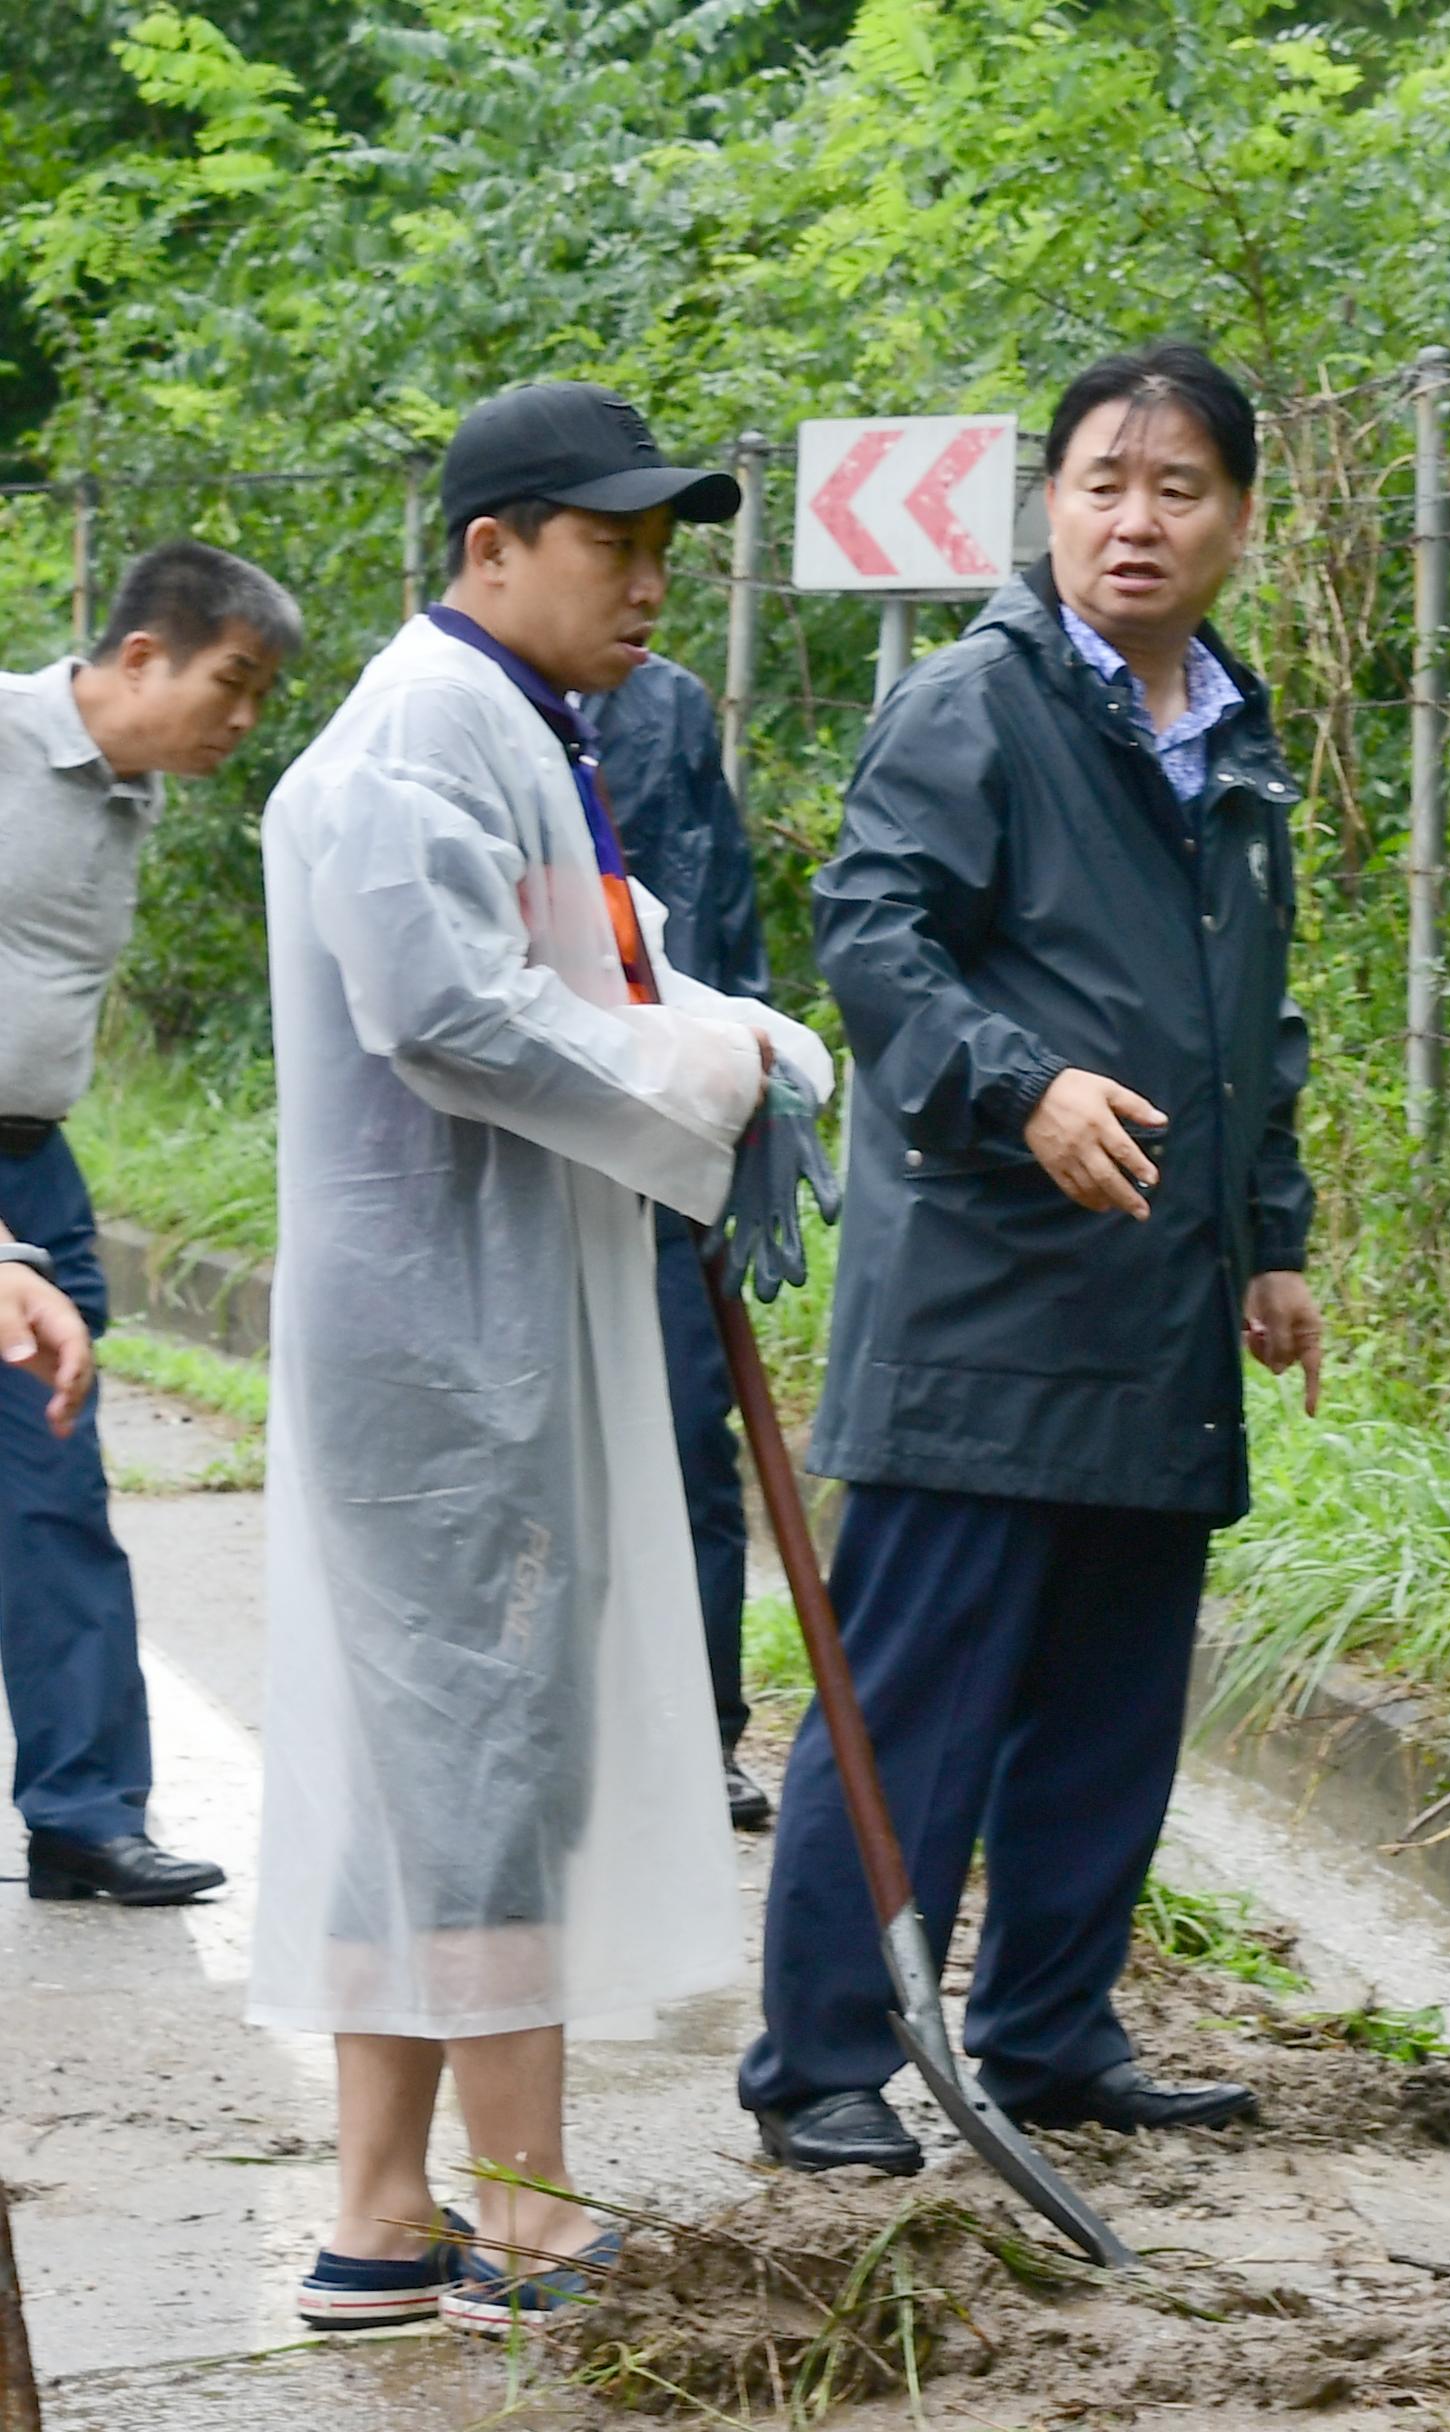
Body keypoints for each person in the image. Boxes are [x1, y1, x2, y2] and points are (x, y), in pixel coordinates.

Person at [255, 380, 827, 2336]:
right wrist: (703, 1071)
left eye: (667, 548)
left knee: (419, 1764)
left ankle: (384, 2215)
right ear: (490, 548)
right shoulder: (428, 728)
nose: (651, 581)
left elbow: (613, 964)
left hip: (465, 1321)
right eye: (614, 543)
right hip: (440, 1337)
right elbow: (450, 1015)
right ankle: (523, 2220)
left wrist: (746, 1043)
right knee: (484, 1749)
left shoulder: (514, 722)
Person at [739, 342, 1322, 2175]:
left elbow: (1249, 1024)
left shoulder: (1229, 730)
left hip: (1155, 1295)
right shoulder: (975, 707)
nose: (1134, 520)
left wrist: (1271, 1241)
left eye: (1177, 489)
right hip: (987, 1296)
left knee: (1107, 1708)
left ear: (1235, 520)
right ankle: (822, 2060)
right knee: (912, 1695)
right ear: (1047, 503)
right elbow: (873, 934)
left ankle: (1052, 2029)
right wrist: (1025, 1086)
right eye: (1099, 482)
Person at [1, 544, 297, 1908]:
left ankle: (85, 1814)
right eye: (230, 684)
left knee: (53, 1496)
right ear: (138, 658)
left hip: (35, 1174)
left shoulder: (132, 795)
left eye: (261, 696)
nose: (242, 720)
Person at [577, 648, 777, 1830]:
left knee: (691, 1437)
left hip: (670, 1128)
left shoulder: (667, 707)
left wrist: (740, 1079)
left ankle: (703, 1731)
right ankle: (566, 1722)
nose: (639, 588)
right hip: (526, 1133)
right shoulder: (461, 709)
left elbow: (724, 904)